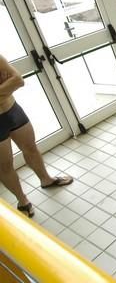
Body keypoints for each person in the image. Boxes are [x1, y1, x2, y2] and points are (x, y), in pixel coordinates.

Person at [0, 55, 74, 219]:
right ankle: (22, 200)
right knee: (4, 165)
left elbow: (18, 80)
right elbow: (11, 83)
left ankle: (46, 179)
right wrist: (5, 87)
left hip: (13, 110)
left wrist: (9, 84)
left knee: (31, 148)